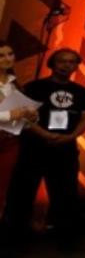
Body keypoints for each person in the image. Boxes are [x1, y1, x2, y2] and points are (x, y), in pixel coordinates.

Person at [1, 49, 85, 250]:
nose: (66, 65)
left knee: (66, 195)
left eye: (71, 62)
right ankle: (13, 240)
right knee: (21, 195)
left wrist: (70, 137)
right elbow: (20, 117)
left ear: (76, 66)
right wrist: (45, 135)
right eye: (62, 61)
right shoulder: (33, 87)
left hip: (65, 149)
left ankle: (68, 239)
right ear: (52, 64)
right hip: (33, 149)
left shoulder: (81, 91)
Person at [0, 41, 38, 220]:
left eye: (10, 54)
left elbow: (19, 117)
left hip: (10, 140)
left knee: (2, 186)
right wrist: (10, 114)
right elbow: (10, 114)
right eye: (1, 55)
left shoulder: (13, 83)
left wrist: (30, 117)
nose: (8, 59)